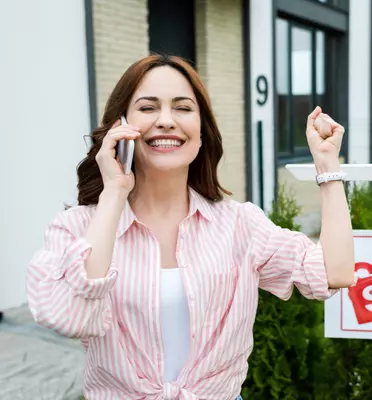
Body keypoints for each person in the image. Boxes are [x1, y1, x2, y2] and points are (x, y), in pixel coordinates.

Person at [26, 54, 355, 400]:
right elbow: (70, 317)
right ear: (120, 127)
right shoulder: (78, 226)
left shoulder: (239, 225)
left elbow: (335, 271)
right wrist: (113, 194)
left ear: (201, 132)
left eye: (183, 108)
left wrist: (327, 166)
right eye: (148, 108)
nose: (166, 121)